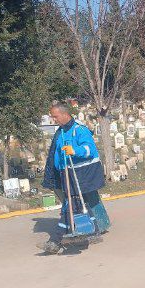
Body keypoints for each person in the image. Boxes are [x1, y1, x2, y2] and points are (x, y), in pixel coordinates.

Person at [39, 103, 109, 252]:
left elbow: (90, 149)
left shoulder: (79, 129)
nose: (54, 120)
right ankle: (94, 231)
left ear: (65, 114)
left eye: (55, 116)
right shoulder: (62, 132)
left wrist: (74, 150)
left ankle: (55, 241)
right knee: (78, 204)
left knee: (71, 205)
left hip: (82, 174)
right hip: (66, 173)